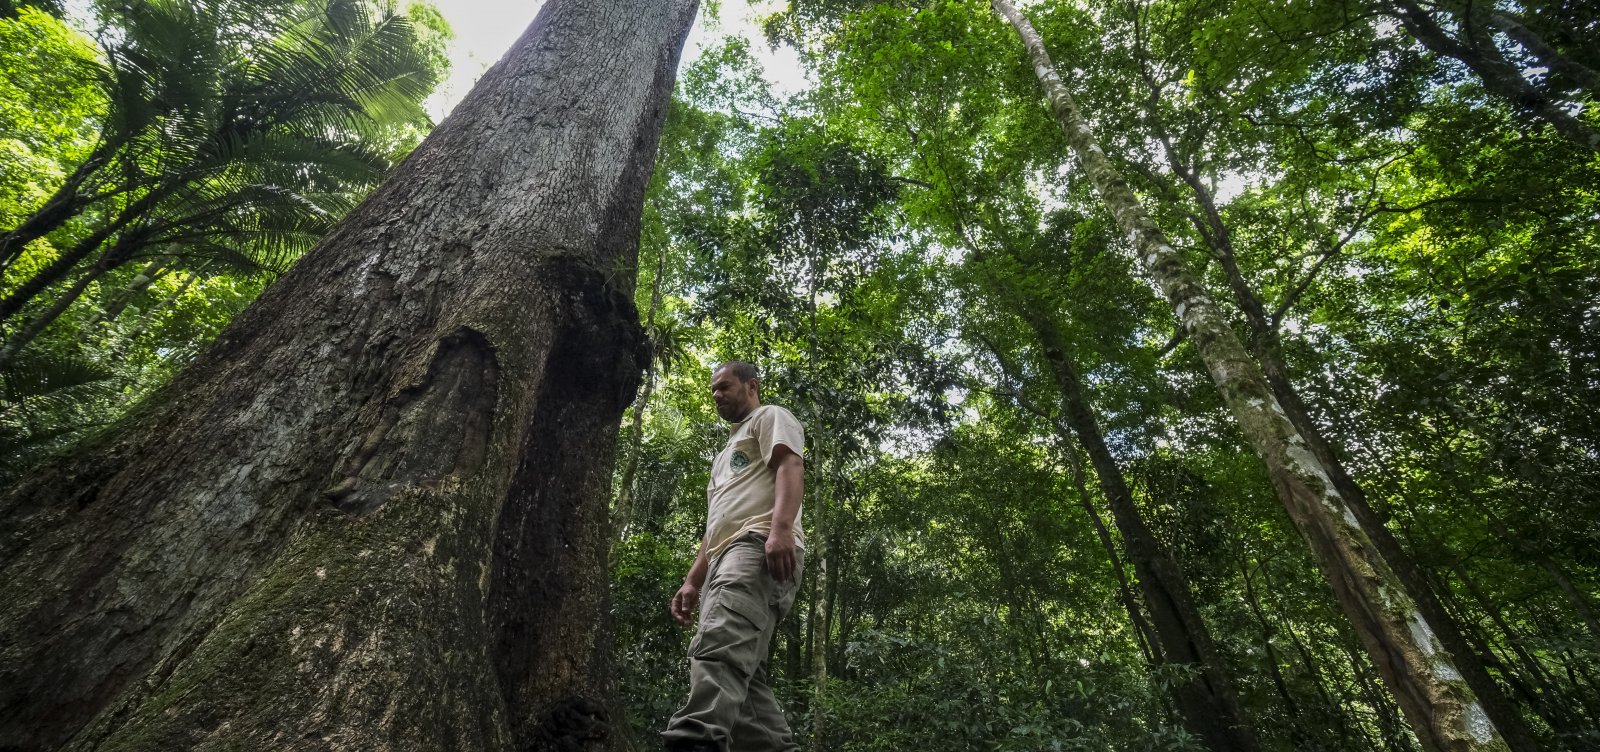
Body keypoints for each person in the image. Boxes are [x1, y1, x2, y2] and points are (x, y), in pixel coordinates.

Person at [662, 361, 806, 752]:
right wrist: (693, 580)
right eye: (713, 390)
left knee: (720, 641)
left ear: (751, 386)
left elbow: (790, 465)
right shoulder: (724, 454)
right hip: (725, 554)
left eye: (724, 387)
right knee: (743, 678)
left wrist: (780, 529)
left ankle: (695, 740)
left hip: (756, 545)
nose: (716, 395)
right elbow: (717, 524)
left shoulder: (769, 417)